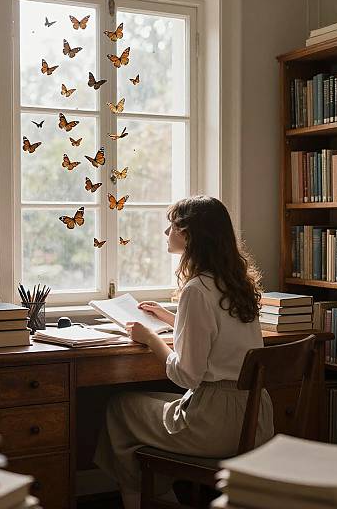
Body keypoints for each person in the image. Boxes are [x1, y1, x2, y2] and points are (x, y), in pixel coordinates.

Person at [93, 195, 274, 509]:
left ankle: (144, 500)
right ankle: (160, 493)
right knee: (145, 408)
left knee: (120, 407)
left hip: (215, 424)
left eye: (172, 226)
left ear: (190, 236)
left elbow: (186, 376)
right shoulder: (237, 283)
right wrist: (172, 318)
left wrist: (151, 339)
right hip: (255, 418)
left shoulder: (195, 290)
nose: (166, 234)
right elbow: (222, 336)